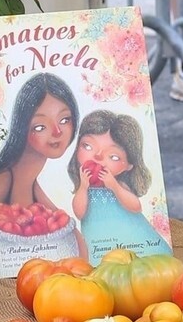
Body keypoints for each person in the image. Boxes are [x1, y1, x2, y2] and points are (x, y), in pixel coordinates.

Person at [0, 73, 81, 277]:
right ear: (22, 128)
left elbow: (76, 244)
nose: (57, 132)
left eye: (64, 119)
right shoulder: (1, 182)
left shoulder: (30, 182)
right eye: (40, 126)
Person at [69, 110, 167, 259]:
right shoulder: (86, 188)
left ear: (129, 165)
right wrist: (83, 187)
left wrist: (114, 186)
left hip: (129, 238)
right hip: (99, 242)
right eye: (87, 146)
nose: (98, 157)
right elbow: (79, 212)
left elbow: (136, 206)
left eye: (113, 157)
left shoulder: (119, 185)